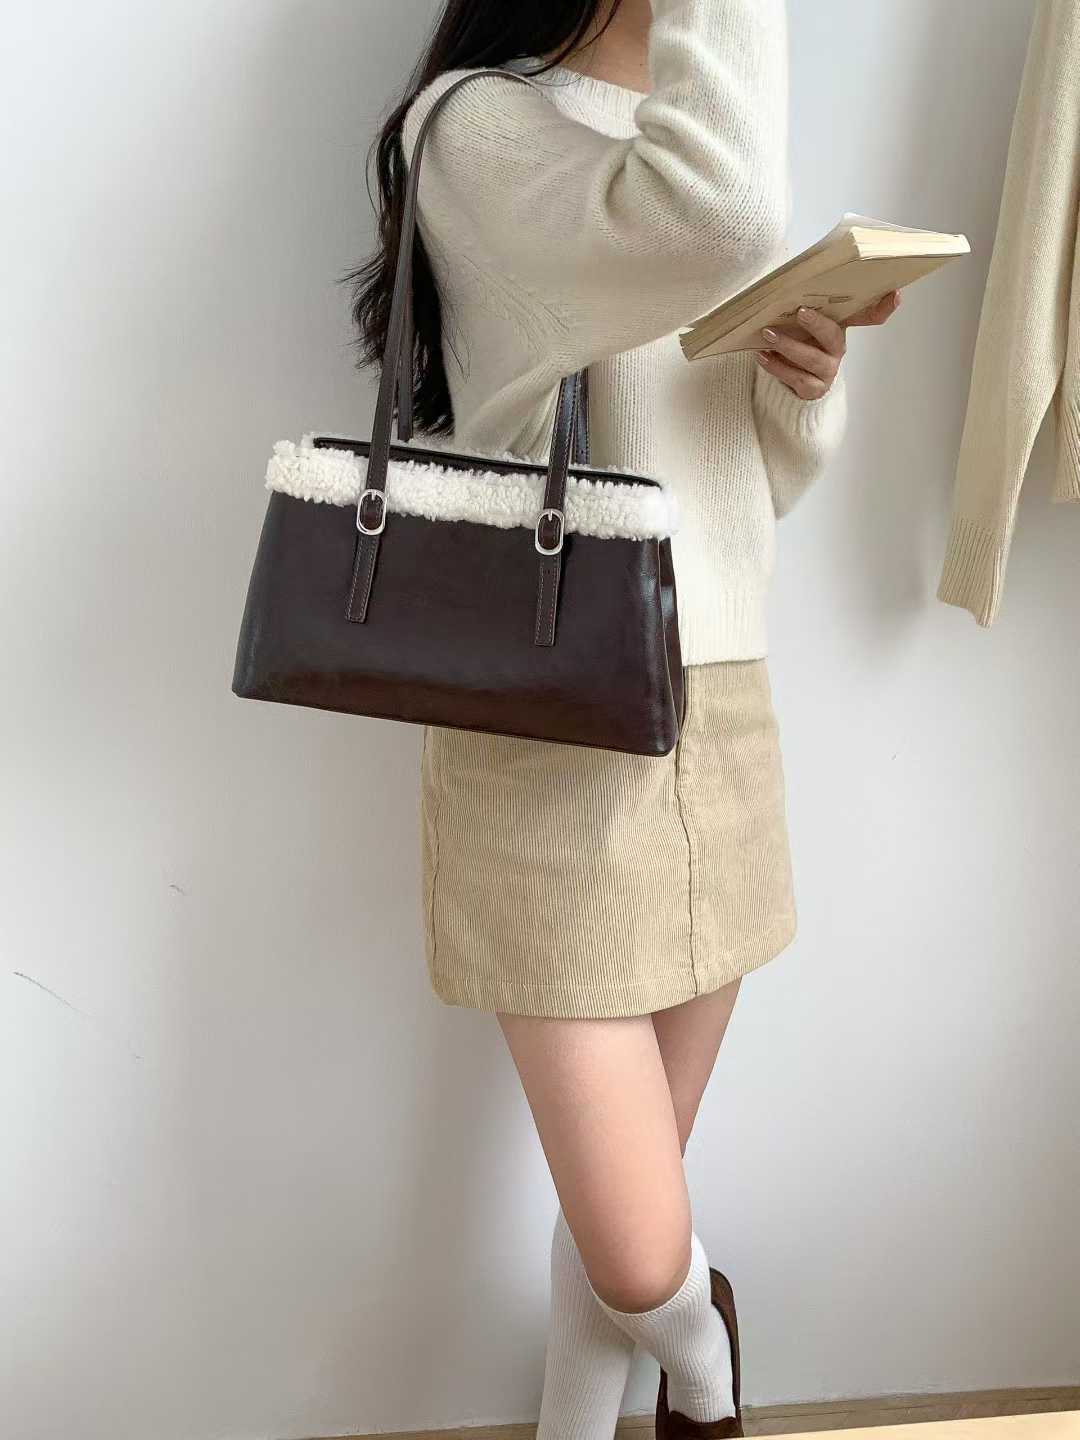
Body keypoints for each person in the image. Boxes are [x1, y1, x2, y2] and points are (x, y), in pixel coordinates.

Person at [350, 1, 899, 1435]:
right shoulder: (480, 127)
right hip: (554, 728)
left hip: (720, 699)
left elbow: (748, 479)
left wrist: (803, 389)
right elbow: (715, 220)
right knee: (645, 1251)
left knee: (616, 1219)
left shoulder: (697, 149)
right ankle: (706, 1361)